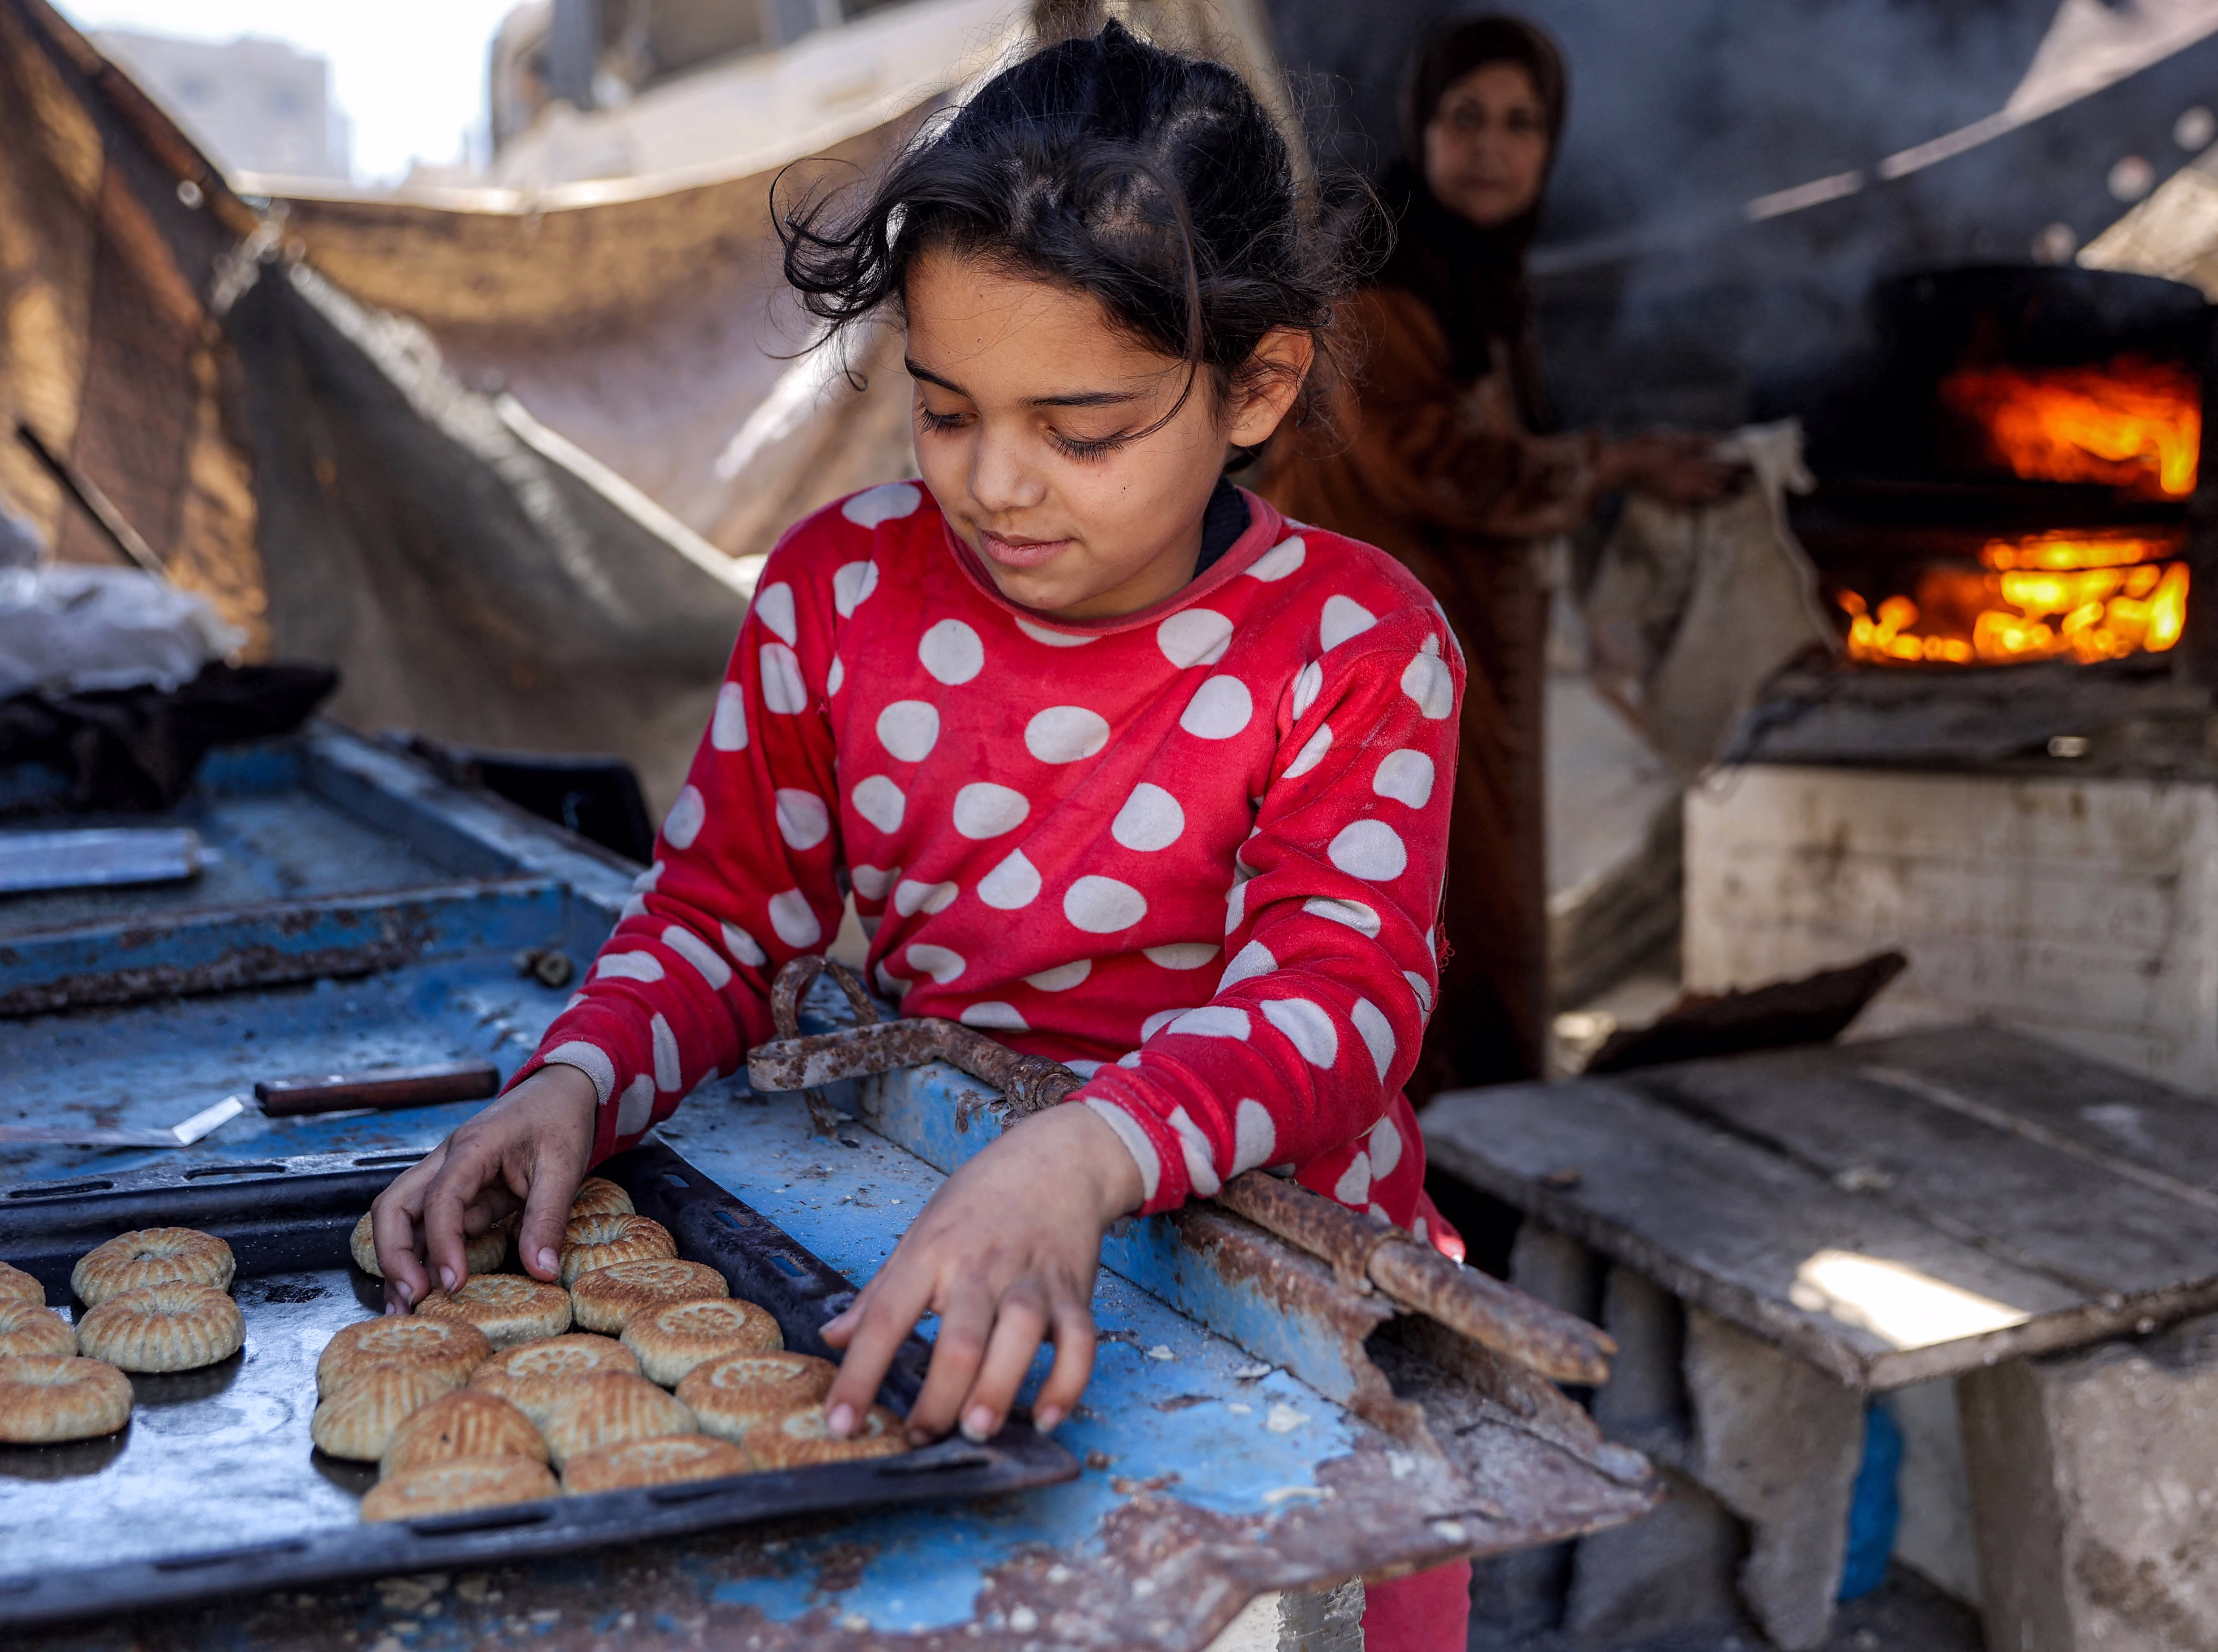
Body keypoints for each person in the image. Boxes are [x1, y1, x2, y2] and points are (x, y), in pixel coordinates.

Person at [372, 24, 1473, 1646]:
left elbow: (1340, 994)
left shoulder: (1356, 647)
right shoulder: (835, 592)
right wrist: (577, 1077)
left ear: (1258, 385)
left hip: (1292, 1316)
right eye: (945, 409)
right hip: (957, 1262)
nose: (999, 485)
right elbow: (724, 918)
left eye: (1080, 429)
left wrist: (1083, 1154)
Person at [1255, 15, 1731, 1099]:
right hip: (1367, 663)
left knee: (1469, 910)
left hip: (1454, 647)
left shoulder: (1480, 278)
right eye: (1465, 117)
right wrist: (1608, 467)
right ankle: (1427, 1160)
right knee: (1407, 913)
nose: (1492, 148)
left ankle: (1472, 1140)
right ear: (1421, 127)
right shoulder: (1374, 275)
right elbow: (1433, 462)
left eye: (1521, 125)